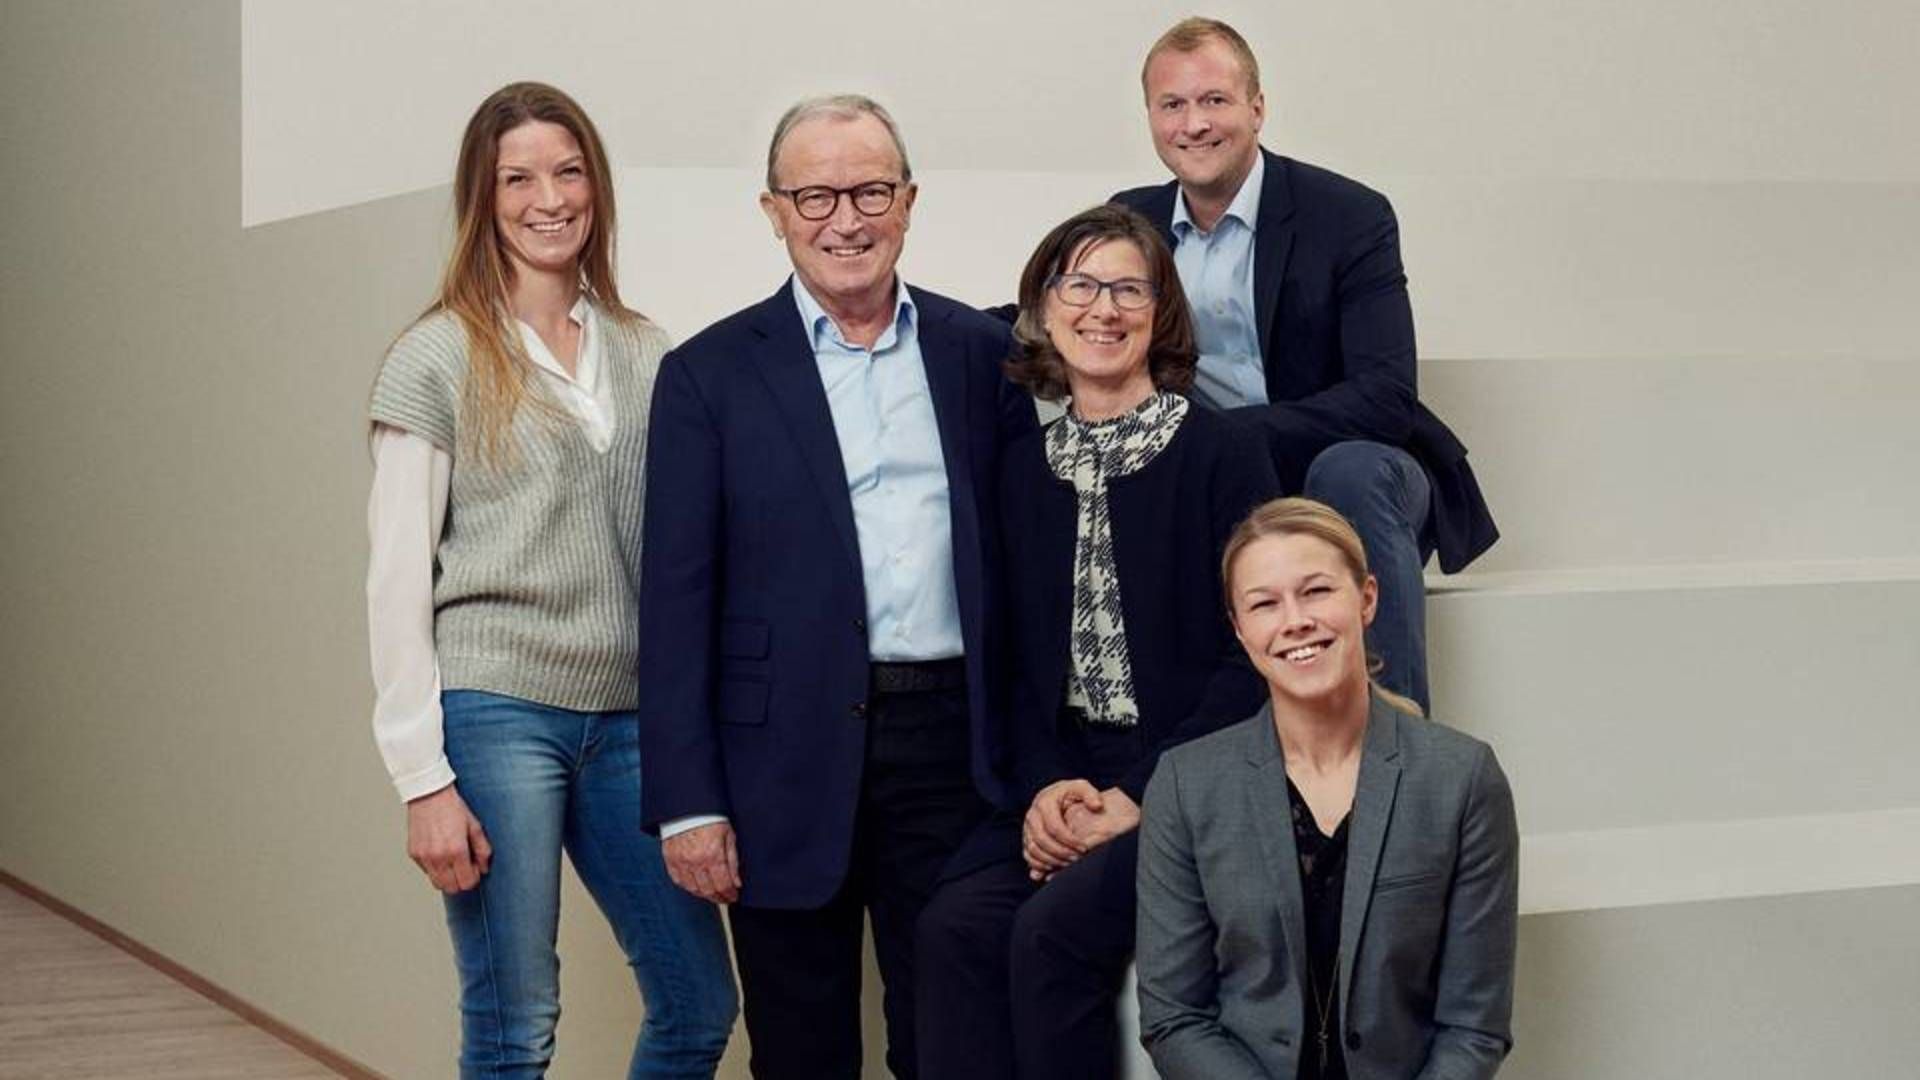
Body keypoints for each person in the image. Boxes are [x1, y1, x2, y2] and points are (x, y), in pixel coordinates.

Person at [636, 95, 1036, 1080]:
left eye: (867, 191)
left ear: (908, 202)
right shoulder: (706, 376)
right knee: (803, 1049)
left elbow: (1028, 564)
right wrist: (689, 804)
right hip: (779, 758)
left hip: (953, 750)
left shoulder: (983, 357)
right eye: (815, 195)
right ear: (773, 210)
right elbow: (675, 601)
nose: (844, 220)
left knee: (953, 1042)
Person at [364, 82, 737, 1079]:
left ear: (597, 188)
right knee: (513, 1024)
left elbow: (693, 550)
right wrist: (421, 781)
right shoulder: (434, 357)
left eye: (568, 171)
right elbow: (395, 580)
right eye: (517, 177)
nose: (548, 197)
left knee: (700, 1009)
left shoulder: (652, 354)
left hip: (630, 723)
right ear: (482, 199)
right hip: (495, 714)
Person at [915, 204, 1279, 1080]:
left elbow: (1251, 662)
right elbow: (1008, 663)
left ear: (1161, 314)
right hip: (1061, 774)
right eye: (1079, 285)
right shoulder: (1020, 471)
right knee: (953, 929)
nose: (1102, 309)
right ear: (1044, 307)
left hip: (1192, 779)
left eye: (1128, 288)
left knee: (1051, 932)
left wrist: (1141, 797)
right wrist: (1046, 791)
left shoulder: (1223, 456)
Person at [1114, 17, 1500, 712]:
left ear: (1257, 108)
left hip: (1355, 467)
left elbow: (1386, 396)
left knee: (1345, 470)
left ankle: (1397, 750)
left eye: (1215, 101)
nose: (1194, 124)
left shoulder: (1348, 215)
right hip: (1220, 481)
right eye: (1173, 105)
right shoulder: (1132, 221)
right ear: (1150, 117)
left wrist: (1239, 436)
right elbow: (1060, 310)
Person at [1136, 497, 1519, 1080]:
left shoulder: (1462, 779)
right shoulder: (1186, 786)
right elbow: (1174, 1016)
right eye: (1264, 604)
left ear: (1366, 598)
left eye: (1316, 591)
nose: (1295, 620)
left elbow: (1474, 1026)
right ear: (1240, 631)